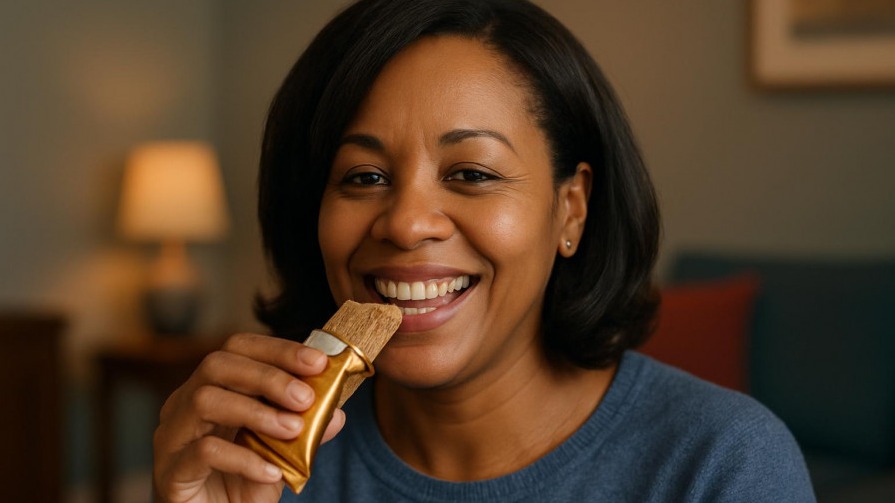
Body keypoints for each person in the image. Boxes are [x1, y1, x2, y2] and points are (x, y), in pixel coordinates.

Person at [153, 0, 816, 501]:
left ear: (570, 209)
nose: (406, 224)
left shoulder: (720, 463)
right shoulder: (258, 464)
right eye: (364, 177)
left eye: (471, 172)